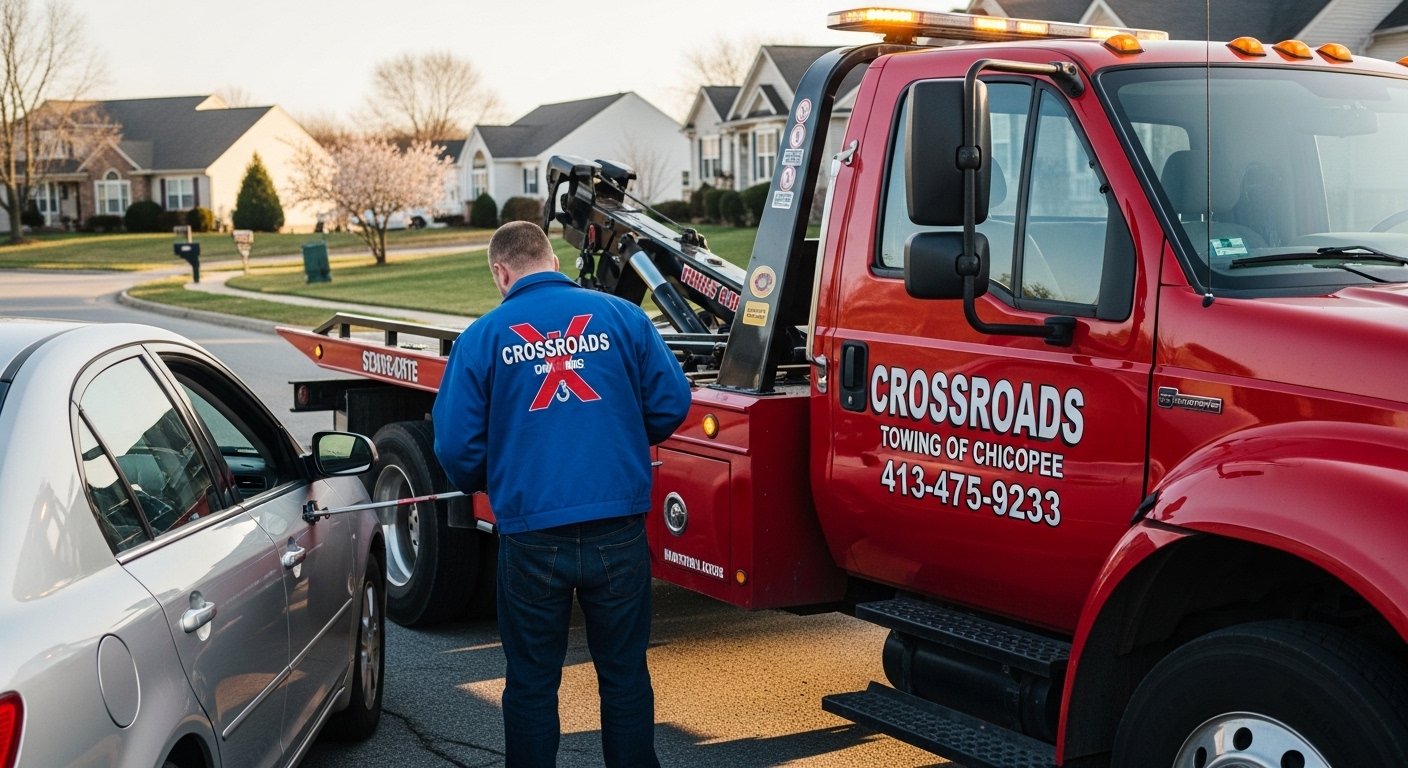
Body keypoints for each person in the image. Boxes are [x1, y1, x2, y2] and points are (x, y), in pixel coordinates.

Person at [432, 220, 691, 767]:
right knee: (623, 676)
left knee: (531, 683)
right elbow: (671, 403)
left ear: (501, 273)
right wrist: (613, 437)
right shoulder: (623, 317)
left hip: (530, 536)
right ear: (552, 261)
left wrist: (497, 475)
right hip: (617, 527)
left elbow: (456, 447)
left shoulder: (483, 337)